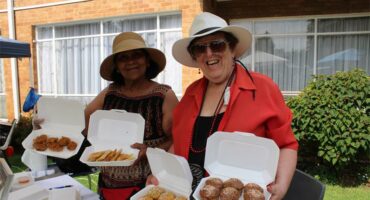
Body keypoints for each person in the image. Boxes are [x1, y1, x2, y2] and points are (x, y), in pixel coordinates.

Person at [148, 12, 298, 200]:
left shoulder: (263, 88)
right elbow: (177, 145)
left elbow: (286, 145)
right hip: (189, 194)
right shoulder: (190, 93)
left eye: (217, 44)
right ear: (195, 57)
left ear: (233, 48)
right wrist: (163, 176)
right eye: (200, 48)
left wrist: (282, 185)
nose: (209, 53)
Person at [84, 32, 178, 199]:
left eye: (137, 55)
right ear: (117, 66)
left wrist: (150, 150)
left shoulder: (163, 95)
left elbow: (176, 139)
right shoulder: (110, 92)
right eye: (123, 58)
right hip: (109, 186)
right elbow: (88, 120)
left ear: (147, 61)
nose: (131, 61)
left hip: (148, 187)